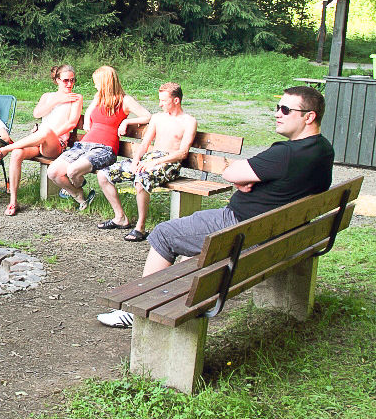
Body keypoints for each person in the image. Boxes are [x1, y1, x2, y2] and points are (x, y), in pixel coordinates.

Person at [97, 86, 334, 328]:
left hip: (240, 228)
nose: (277, 113)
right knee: (191, 238)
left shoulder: (285, 154)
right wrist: (250, 178)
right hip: (282, 234)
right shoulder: (323, 150)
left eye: (285, 109)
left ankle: (140, 308)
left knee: (164, 233)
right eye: (277, 107)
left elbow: (230, 172)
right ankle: (168, 294)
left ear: (309, 116)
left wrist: (245, 177)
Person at [96, 82, 197, 242]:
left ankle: (140, 228)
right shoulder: (157, 118)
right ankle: (120, 217)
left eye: (164, 101)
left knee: (141, 179)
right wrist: (136, 159)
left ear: (176, 100)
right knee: (104, 174)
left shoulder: (189, 121)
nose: (160, 104)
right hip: (149, 158)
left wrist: (154, 163)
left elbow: (182, 153)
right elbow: (144, 144)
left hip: (170, 162)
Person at [46, 66, 151, 211]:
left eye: (97, 82)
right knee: (53, 172)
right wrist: (88, 120)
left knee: (72, 171)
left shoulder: (125, 100)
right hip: (84, 145)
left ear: (105, 82)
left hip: (105, 148)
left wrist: (126, 122)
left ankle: (77, 187)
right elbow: (89, 110)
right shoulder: (98, 96)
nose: (95, 85)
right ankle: (79, 195)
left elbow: (147, 116)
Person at [0, 65, 83, 216]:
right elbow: (37, 113)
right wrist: (58, 100)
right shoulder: (47, 96)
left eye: (72, 80)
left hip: (56, 145)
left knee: (44, 130)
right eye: (65, 80)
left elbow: (71, 123)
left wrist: (48, 135)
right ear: (57, 80)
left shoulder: (76, 98)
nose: (69, 84)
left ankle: (5, 149)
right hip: (40, 142)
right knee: (18, 153)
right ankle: (13, 201)